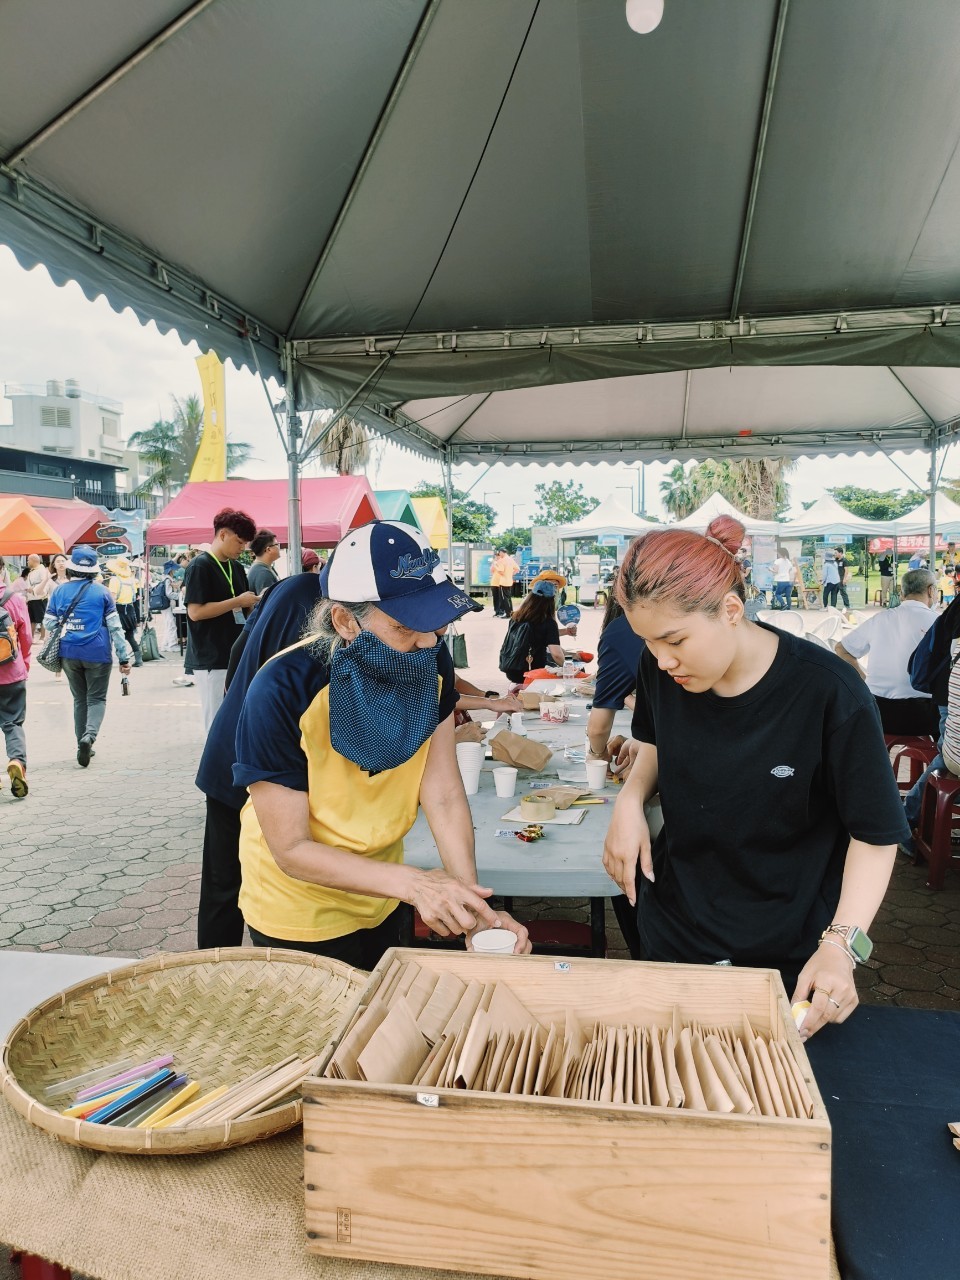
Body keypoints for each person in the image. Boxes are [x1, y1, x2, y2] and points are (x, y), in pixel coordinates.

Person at [602, 515, 908, 1042]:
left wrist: (839, 946)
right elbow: (653, 742)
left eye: (674, 639)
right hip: (677, 927)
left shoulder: (829, 693)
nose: (661, 659)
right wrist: (629, 802)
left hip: (789, 946)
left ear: (731, 609)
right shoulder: (660, 668)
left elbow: (875, 834)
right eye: (647, 642)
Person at [232, 520, 530, 965]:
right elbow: (291, 849)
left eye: (435, 624)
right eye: (405, 627)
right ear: (345, 621)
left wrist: (471, 907)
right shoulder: (283, 688)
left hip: (381, 892)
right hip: (298, 907)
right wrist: (416, 885)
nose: (428, 641)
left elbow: (445, 794)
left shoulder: (429, 662)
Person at [195, 571, 325, 948]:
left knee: (222, 884)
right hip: (267, 763)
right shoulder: (346, 611)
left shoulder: (292, 585)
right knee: (271, 883)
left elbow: (238, 652)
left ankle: (214, 981)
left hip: (229, 746)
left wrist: (241, 697)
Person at [43, 546, 132, 767]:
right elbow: (115, 628)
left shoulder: (59, 591)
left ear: (72, 567)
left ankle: (80, 744)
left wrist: (69, 627)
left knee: (79, 699)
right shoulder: (102, 592)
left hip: (69, 653)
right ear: (93, 570)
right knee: (96, 699)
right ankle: (89, 737)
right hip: (98, 652)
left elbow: (48, 622)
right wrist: (123, 658)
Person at [835, 569, 940, 736]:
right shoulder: (938, 622)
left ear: (902, 592)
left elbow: (841, 648)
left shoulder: (880, 619)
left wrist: (863, 678)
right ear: (931, 590)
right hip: (924, 716)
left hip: (879, 713)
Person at [183, 507, 258, 732]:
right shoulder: (200, 566)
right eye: (239, 542)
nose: (242, 548)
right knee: (216, 720)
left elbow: (243, 605)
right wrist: (237, 602)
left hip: (235, 653)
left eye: (245, 543)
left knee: (233, 718)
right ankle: (214, 766)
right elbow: (195, 612)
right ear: (222, 535)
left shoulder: (236, 567)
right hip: (210, 657)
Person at [499, 580, 578, 685]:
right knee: (575, 670)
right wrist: (572, 671)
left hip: (512, 670)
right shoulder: (547, 622)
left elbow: (538, 634)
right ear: (551, 600)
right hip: (533, 672)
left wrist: (565, 631)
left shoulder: (516, 617)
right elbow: (557, 655)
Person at [0, 581, 31, 798]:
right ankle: (17, 762)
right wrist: (25, 663)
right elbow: (26, 637)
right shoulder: (15, 598)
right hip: (11, 672)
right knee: (12, 722)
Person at [107, 555, 142, 668]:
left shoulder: (114, 580)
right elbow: (134, 597)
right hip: (130, 610)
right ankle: (138, 659)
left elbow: (112, 598)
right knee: (130, 636)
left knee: (112, 636)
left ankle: (109, 659)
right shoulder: (131, 580)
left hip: (118, 610)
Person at [24, 554, 52, 641]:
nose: (27, 562)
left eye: (28, 560)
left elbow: (45, 582)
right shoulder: (31, 571)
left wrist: (33, 588)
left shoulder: (42, 570)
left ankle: (42, 637)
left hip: (40, 598)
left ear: (34, 560)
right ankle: (31, 636)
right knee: (32, 619)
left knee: (42, 618)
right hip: (31, 598)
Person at [246, 530, 281, 595]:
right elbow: (269, 601)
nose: (279, 548)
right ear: (268, 549)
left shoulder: (260, 568)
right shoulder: (263, 572)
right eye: (276, 544)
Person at [490, 548, 519, 618]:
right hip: (509, 581)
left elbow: (501, 571)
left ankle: (508, 614)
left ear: (501, 552)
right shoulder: (511, 559)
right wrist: (510, 574)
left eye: (499, 553)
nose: (499, 555)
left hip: (503, 582)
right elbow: (517, 569)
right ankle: (510, 612)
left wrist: (496, 566)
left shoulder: (502, 561)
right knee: (508, 598)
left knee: (504, 599)